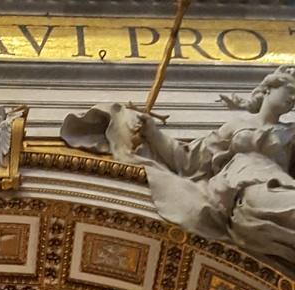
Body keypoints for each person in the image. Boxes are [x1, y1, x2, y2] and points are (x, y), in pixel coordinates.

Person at [61, 67, 295, 266]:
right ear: (268, 88)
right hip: (243, 187)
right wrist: (152, 131)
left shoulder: (290, 133)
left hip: (274, 183)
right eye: (291, 91)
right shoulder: (237, 124)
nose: (293, 100)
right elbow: (188, 159)